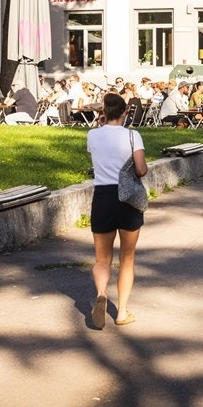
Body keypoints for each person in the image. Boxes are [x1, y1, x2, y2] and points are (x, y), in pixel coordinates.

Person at [87, 91, 148, 329]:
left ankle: (102, 293)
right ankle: (121, 312)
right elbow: (141, 169)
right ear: (125, 113)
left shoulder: (92, 135)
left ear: (103, 113)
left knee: (102, 259)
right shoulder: (133, 135)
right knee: (127, 258)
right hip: (128, 199)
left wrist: (102, 123)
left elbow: (100, 143)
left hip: (102, 197)